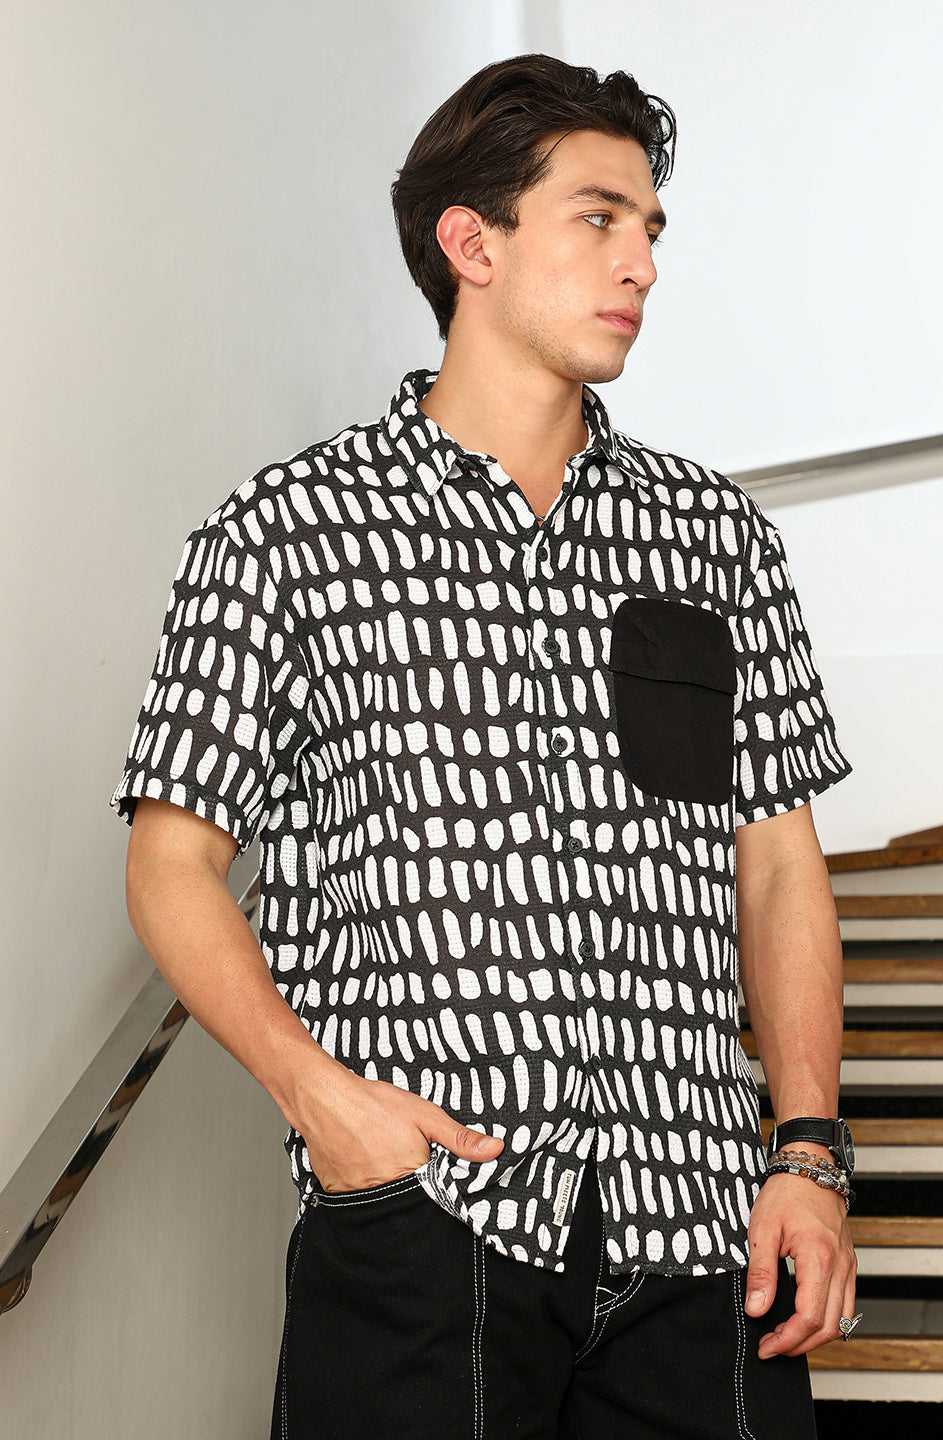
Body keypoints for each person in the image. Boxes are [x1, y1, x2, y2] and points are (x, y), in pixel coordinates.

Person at [114, 53, 857, 1440]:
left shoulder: (718, 539)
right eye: (599, 218)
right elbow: (171, 865)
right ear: (473, 243)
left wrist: (809, 1156)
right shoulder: (286, 533)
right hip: (426, 1222)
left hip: (699, 1229)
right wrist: (323, 1102)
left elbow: (777, 867)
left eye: (651, 229)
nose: (642, 263)